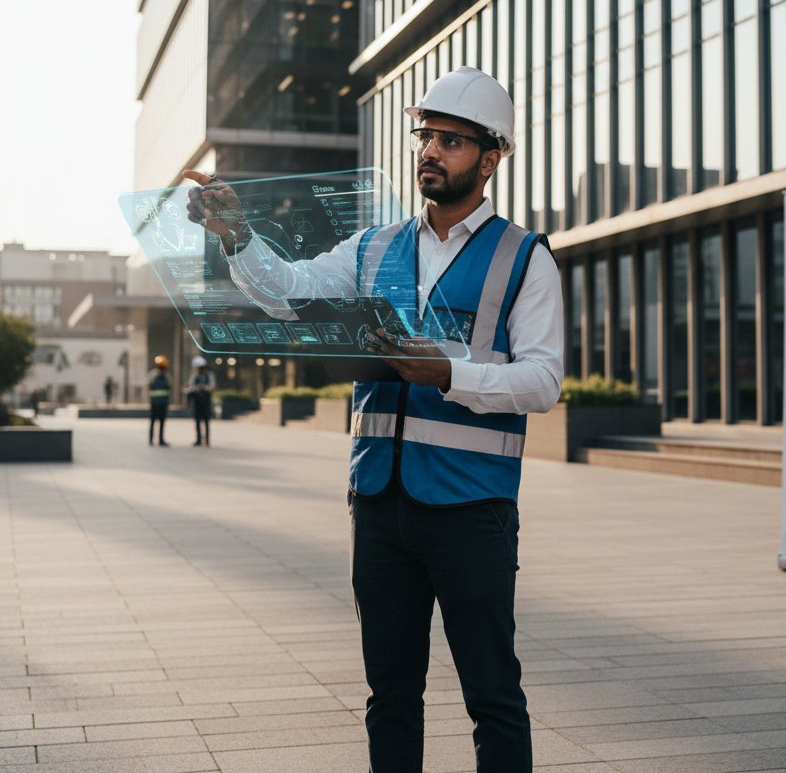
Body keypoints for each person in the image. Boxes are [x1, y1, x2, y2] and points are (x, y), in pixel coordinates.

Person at [184, 67, 563, 773]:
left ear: (491, 158)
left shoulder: (525, 259)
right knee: (389, 693)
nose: (432, 151)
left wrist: (450, 374)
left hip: (471, 506)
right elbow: (286, 292)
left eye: (452, 141)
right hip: (378, 504)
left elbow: (543, 381)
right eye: (427, 137)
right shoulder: (373, 247)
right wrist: (235, 235)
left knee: (492, 694)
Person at [187, 356, 215, 446]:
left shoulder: (209, 375)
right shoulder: (195, 376)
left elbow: (212, 387)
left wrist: (205, 389)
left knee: (206, 421)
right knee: (197, 421)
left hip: (206, 400)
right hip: (197, 401)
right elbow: (190, 385)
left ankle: (206, 439)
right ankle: (198, 439)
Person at [147, 356, 172, 446]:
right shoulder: (153, 374)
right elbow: (149, 385)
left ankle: (161, 439)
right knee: (153, 420)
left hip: (163, 401)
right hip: (155, 402)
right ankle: (151, 439)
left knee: (162, 421)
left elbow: (170, 386)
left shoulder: (167, 375)